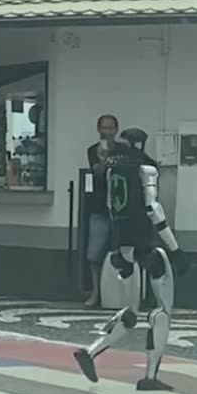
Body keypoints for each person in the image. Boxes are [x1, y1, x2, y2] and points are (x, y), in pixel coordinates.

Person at [74, 127, 189, 392]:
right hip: (145, 245)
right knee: (162, 309)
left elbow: (110, 206)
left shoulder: (110, 169)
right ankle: (149, 376)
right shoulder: (145, 168)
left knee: (130, 310)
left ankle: (91, 351)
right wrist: (174, 248)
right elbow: (153, 208)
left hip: (120, 247)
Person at [83, 114, 120, 307]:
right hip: (99, 207)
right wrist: (102, 161)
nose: (107, 132)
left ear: (116, 130)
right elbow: (96, 173)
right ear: (98, 130)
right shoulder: (92, 151)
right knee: (94, 253)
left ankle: (116, 293)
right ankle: (96, 292)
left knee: (119, 251)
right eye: (104, 128)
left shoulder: (124, 151)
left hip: (121, 208)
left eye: (110, 128)